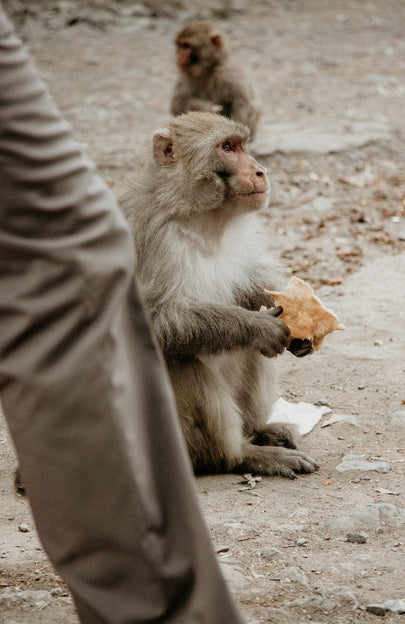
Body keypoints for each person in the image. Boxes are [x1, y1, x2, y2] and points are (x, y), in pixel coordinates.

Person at [0, 5, 246, 623]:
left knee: (71, 257)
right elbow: (167, 322)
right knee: (72, 255)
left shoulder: (228, 103)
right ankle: (150, 592)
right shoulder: (162, 205)